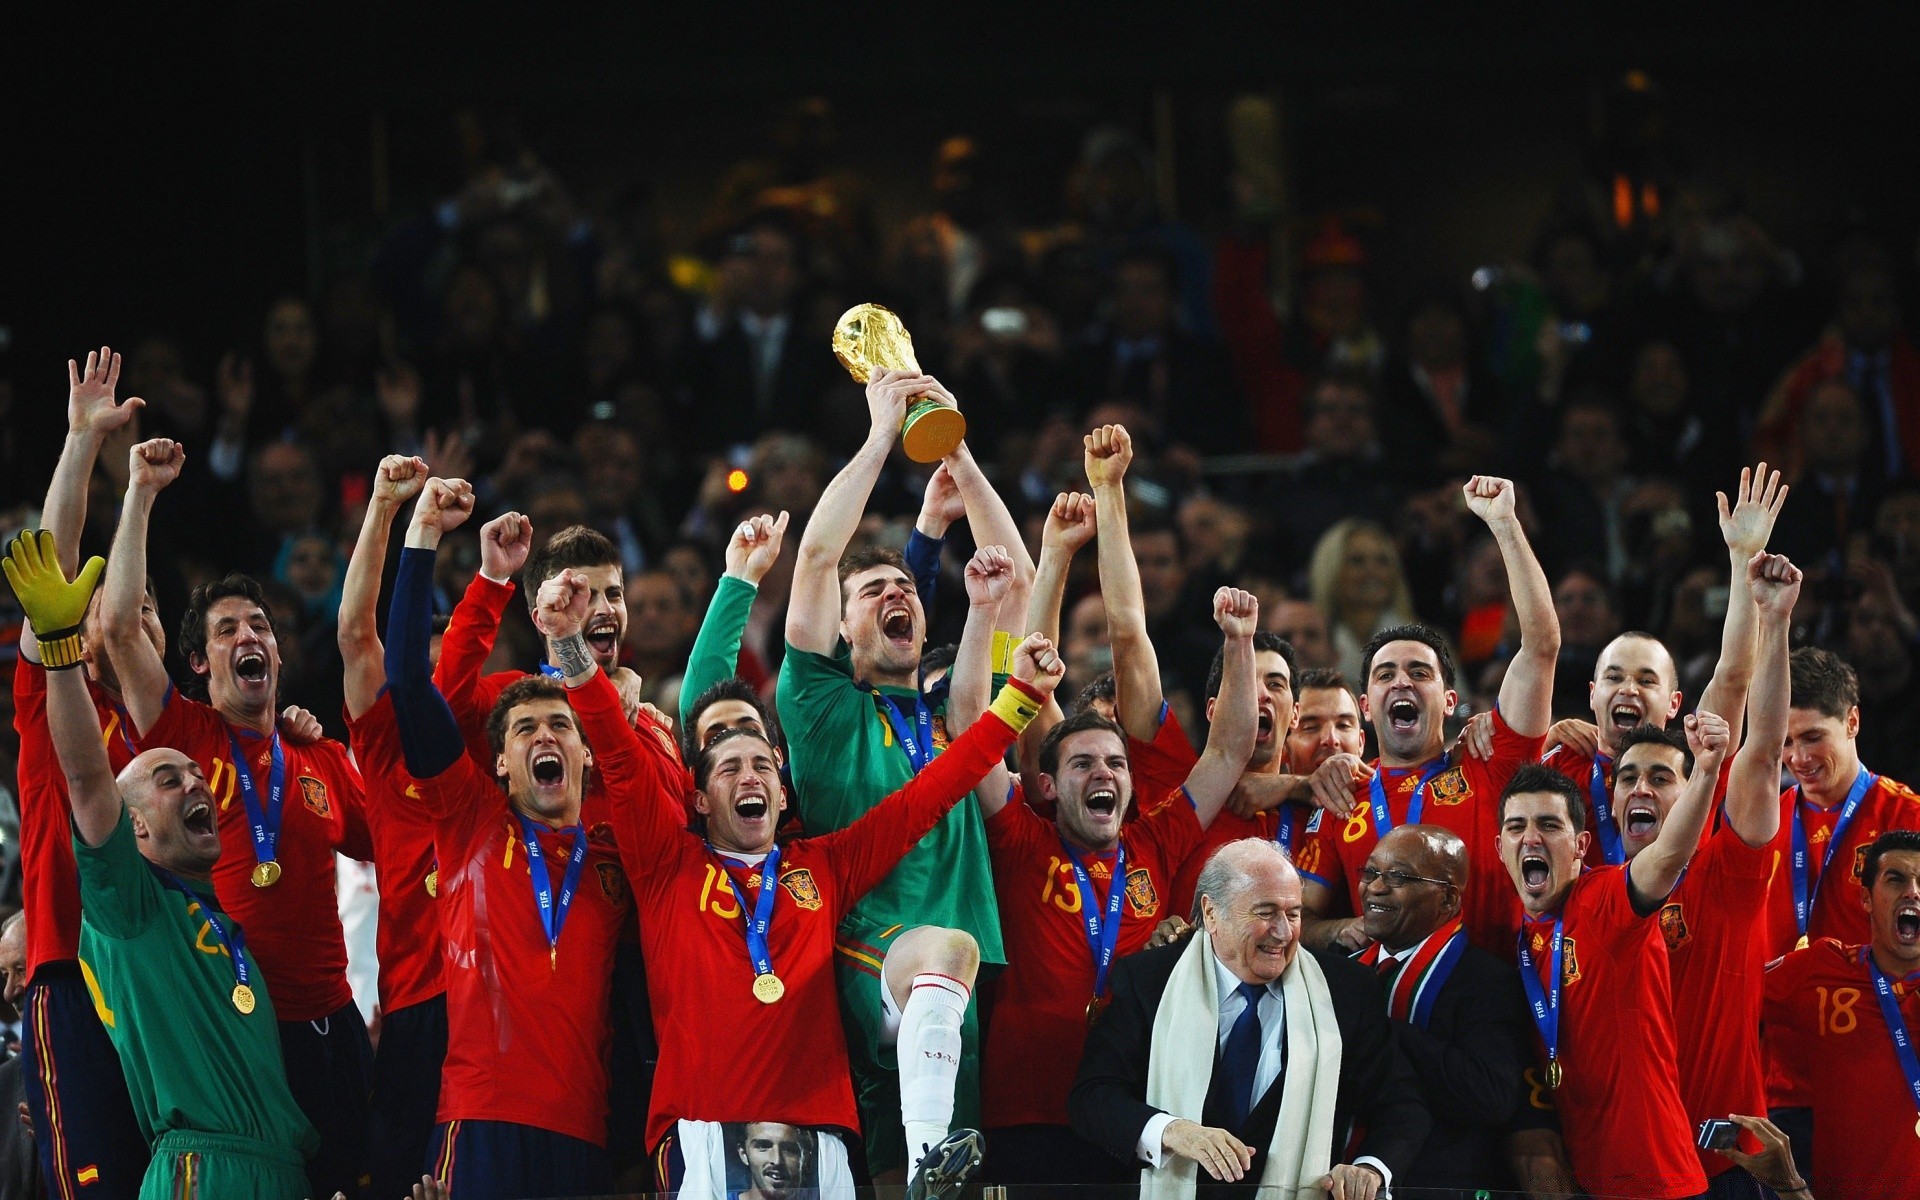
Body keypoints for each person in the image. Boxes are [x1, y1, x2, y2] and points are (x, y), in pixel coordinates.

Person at [626, 608, 1061, 1200]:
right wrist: (573, 652)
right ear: (700, 799)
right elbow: (617, 755)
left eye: (761, 765)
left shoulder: (822, 864)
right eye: (729, 768)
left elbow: (930, 793)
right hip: (706, 1120)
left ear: (783, 793)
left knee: (953, 945)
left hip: (819, 1131)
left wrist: (1020, 700)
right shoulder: (668, 865)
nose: (749, 776)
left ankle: (927, 1165)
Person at [5, 529, 319, 1198]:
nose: (197, 784)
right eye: (169, 781)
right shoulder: (131, 907)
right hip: (201, 1173)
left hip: (282, 1172)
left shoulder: (224, 926)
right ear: (135, 829)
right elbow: (90, 781)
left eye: (195, 775)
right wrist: (60, 649)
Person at [97, 438, 373, 1200]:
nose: (250, 637)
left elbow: (386, 845)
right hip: (247, 1028)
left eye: (261, 625)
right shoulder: (184, 738)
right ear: (198, 663)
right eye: (227, 630)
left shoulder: (315, 758)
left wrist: (338, 749)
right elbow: (120, 627)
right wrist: (141, 492)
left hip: (336, 1024)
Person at [779, 367, 1033, 1184]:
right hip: (865, 954)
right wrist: (882, 434)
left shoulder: (954, 717)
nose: (897, 592)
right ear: (843, 628)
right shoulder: (820, 707)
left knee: (906, 1182)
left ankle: (925, 1162)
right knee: (922, 1154)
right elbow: (817, 555)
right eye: (873, 591)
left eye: (904, 587)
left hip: (950, 990)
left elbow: (1016, 579)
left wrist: (957, 452)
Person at [382, 478, 645, 1199]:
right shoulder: (470, 817)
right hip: (479, 1117)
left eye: (560, 725)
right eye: (525, 728)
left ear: (588, 750)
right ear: (499, 760)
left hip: (587, 1128)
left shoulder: (624, 828)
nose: (544, 736)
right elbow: (410, 681)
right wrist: (428, 539)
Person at [979, 587, 1262, 1192]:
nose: (1104, 772)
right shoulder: (1022, 840)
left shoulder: (1155, 843)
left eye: (1117, 762)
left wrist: (1240, 643)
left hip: (1132, 1100)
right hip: (1027, 1105)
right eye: (1082, 764)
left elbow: (1230, 749)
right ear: (1049, 786)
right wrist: (1000, 641)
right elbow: (973, 741)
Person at [1068, 839, 1428, 1200]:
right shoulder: (1149, 980)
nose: (1284, 932)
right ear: (1211, 913)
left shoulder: (1345, 991)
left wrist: (1370, 1167)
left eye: (1293, 913)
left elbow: (1401, 1104)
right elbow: (1094, 1096)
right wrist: (1172, 1131)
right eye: (1265, 912)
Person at [1299, 476, 1560, 956]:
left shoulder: (1489, 763)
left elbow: (1541, 645)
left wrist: (1504, 525)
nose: (1402, 682)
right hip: (1381, 1003)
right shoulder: (1340, 795)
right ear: (1365, 706)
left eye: (1419, 672)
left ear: (1447, 699)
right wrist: (1336, 930)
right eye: (1385, 675)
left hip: (1483, 996)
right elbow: (1302, 917)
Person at [1604, 552, 1797, 1197]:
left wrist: (1775, 619)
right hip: (1622, 1157)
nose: (1642, 789)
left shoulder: (1726, 874)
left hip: (1722, 1164)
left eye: (1663, 778)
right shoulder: (1591, 889)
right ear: (1609, 799)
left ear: (1693, 796)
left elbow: (1764, 752)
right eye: (1628, 777)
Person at [11, 348, 151, 1198]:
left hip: (164, 993)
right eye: (114, 610)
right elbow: (51, 571)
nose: (133, 619)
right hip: (71, 971)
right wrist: (82, 443)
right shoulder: (50, 706)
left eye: (149, 612)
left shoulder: (172, 743)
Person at [1496, 701, 1731, 1200]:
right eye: (1516, 828)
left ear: (1582, 845)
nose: (1530, 838)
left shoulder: (1605, 901)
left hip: (1658, 1181)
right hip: (1587, 1180)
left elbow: (1667, 855)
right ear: (1499, 848)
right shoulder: (1516, 930)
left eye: (1549, 826)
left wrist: (1707, 772)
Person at [1536, 463, 1786, 868]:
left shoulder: (1695, 759)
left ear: (1674, 704)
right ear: (1592, 693)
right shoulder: (1560, 763)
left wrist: (1742, 559)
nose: (1628, 689)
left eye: (1646, 680)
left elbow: (1735, 675)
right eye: (1614, 677)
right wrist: (1538, 745)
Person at [335, 455, 450, 1200]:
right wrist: (383, 507)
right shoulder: (381, 747)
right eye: (419, 671)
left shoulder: (497, 760)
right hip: (414, 1003)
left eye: (444, 677)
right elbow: (356, 633)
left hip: (496, 1001)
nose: (425, 689)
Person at [1761, 643, 1920, 1165]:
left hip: (1882, 1072)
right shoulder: (1761, 824)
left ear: (1852, 722)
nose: (1797, 759)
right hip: (1781, 1082)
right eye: (1784, 742)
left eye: (1812, 737)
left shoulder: (1907, 819)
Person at [1347, 826, 1538, 1195]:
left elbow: (1490, 1097)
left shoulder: (1488, 981)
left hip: (1436, 1185)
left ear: (1448, 899)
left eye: (1398, 877)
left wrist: (1382, 1030)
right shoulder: (1340, 970)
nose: (1375, 887)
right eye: (1370, 872)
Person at [1762, 829, 1920, 1200]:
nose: (1913, 891)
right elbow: (1724, 996)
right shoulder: (1821, 969)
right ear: (1866, 898)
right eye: (1895, 879)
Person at [1175, 667, 1370, 918]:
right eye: (1311, 727)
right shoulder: (1246, 808)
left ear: (1362, 742)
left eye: (1344, 725)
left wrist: (1292, 785)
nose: (1331, 739)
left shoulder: (1381, 801)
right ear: (1285, 743)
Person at [0, 913, 48, 1200]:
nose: (9, 992)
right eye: (5, 974)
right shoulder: (5, 1084)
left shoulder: (120, 1069)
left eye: (21, 969)